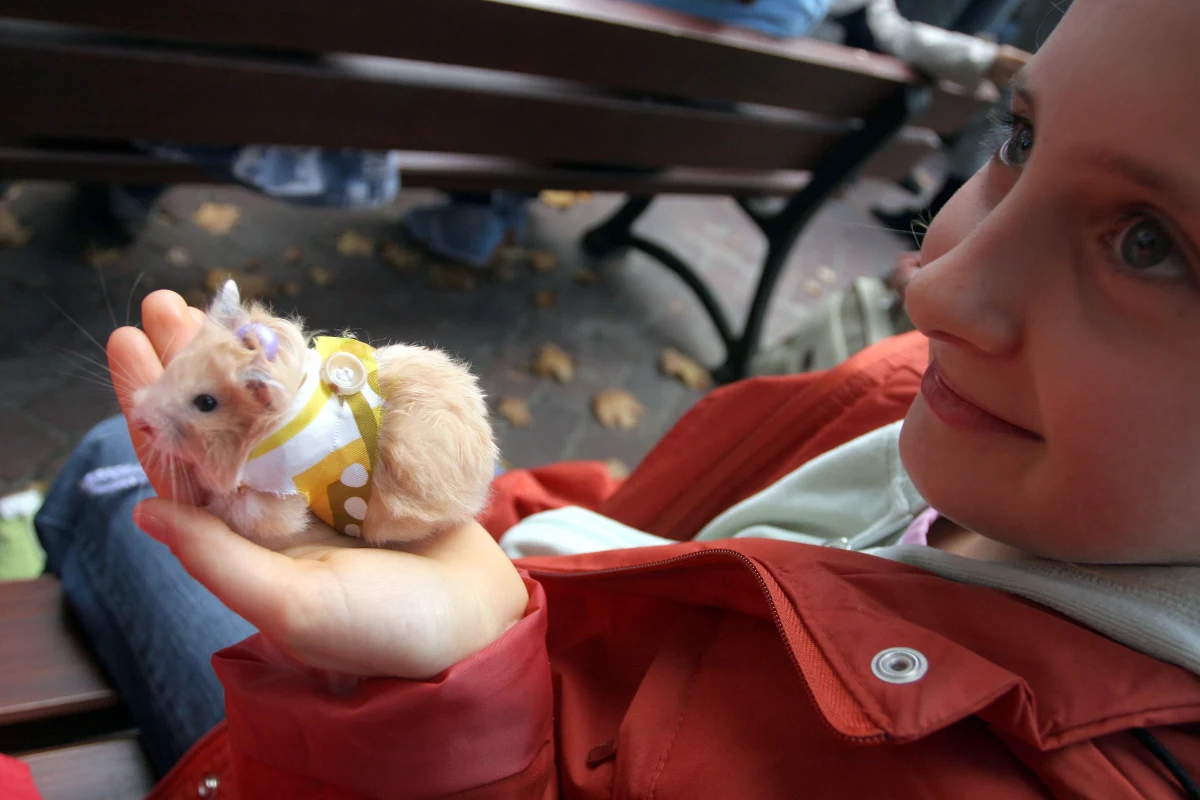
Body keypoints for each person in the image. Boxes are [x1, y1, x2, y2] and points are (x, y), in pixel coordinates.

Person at [5, 0, 1200, 796]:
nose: (934, 282)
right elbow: (655, 525)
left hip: (437, 748)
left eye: (1150, 245)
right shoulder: (895, 403)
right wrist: (493, 545)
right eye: (1018, 137)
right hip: (512, 590)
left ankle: (75, 501)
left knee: (113, 469)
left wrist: (453, 683)